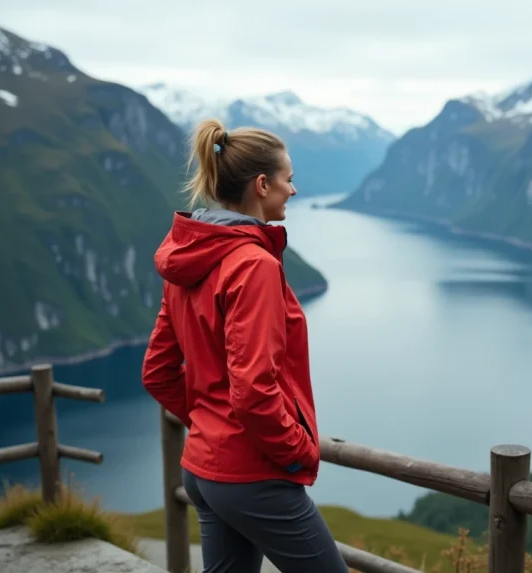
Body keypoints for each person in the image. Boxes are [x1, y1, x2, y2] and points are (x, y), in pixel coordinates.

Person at [141, 118, 349, 573]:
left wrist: (208, 423)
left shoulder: (187, 257)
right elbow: (254, 389)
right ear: (262, 185)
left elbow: (157, 372)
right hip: (250, 474)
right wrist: (300, 449)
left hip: (202, 468)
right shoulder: (253, 264)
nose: (293, 190)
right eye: (288, 179)